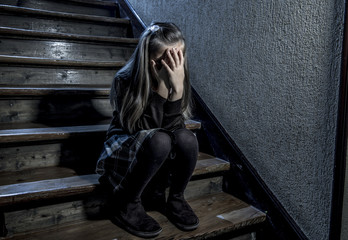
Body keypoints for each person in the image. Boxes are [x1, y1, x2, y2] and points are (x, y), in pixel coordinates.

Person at [96, 22, 199, 238]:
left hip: (158, 141)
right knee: (160, 140)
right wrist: (162, 88)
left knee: (187, 138)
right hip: (126, 141)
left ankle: (176, 198)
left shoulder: (179, 77)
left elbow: (174, 131)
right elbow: (145, 131)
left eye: (178, 56)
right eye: (167, 58)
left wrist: (177, 91)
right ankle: (128, 204)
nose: (175, 64)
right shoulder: (125, 80)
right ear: (149, 60)